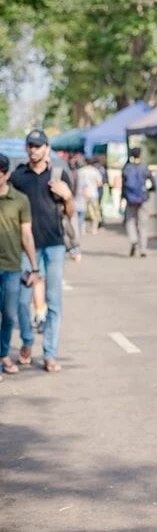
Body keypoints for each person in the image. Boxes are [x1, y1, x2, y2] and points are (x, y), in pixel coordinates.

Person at [10, 129, 75, 373]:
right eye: (30, 145)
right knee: (21, 300)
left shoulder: (58, 174)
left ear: (47, 148)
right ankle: (27, 341)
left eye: (38, 145)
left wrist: (67, 197)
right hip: (26, 248)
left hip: (55, 244)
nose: (33, 149)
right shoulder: (18, 176)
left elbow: (69, 213)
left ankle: (49, 354)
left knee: (53, 301)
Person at [0, 153, 40, 377]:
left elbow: (26, 235)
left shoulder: (20, 200)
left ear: (6, 174)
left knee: (8, 315)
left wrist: (34, 267)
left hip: (12, 267)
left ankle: (4, 354)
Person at [121, 147, 153, 257]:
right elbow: (153, 182)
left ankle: (133, 239)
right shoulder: (144, 167)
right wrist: (149, 191)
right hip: (143, 198)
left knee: (130, 221)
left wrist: (123, 197)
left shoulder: (127, 168)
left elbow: (123, 185)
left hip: (130, 200)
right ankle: (143, 249)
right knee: (143, 224)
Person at [75, 156, 104, 235]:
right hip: (93, 193)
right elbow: (99, 183)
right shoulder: (95, 171)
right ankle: (94, 229)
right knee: (95, 212)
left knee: (83, 213)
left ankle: (82, 230)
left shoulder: (80, 171)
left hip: (82, 194)